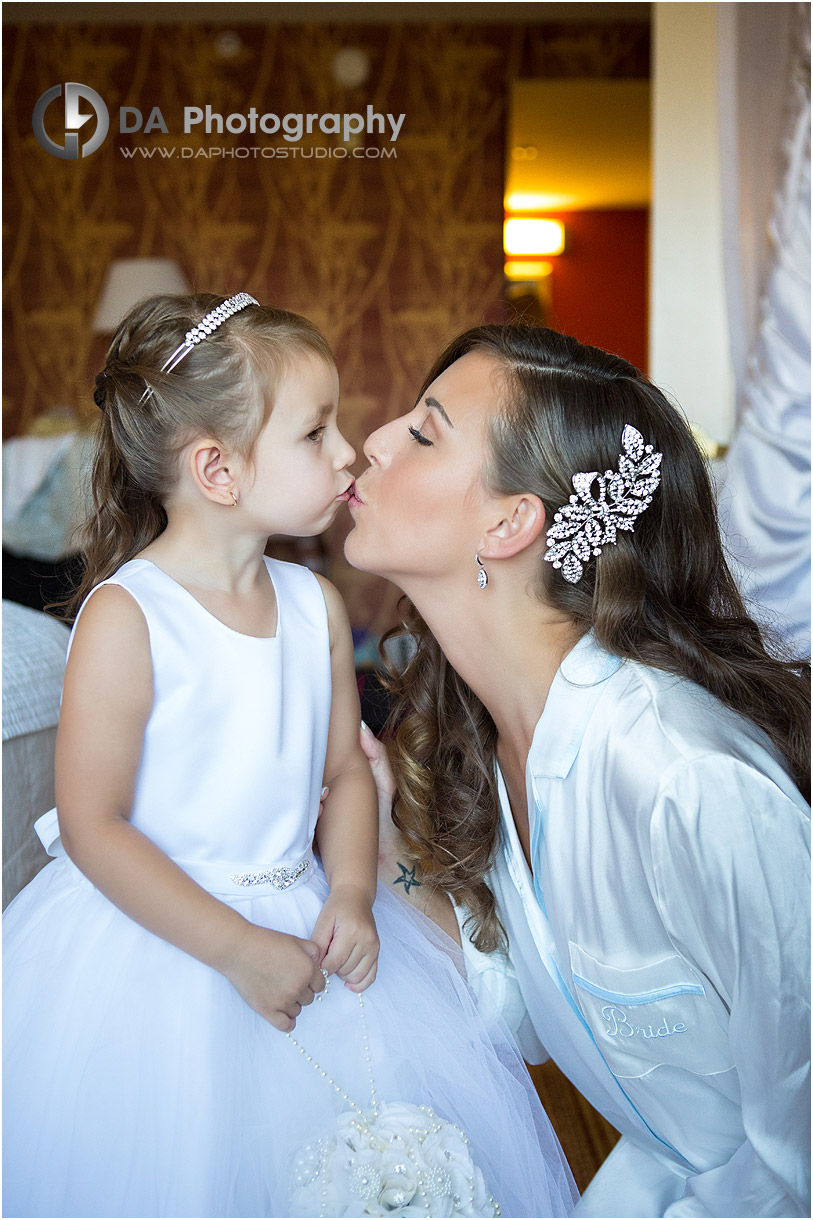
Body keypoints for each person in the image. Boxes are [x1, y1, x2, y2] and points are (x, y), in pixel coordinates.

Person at [2, 297, 577, 1219]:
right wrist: (234, 947)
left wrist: (350, 892)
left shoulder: (309, 603)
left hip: (298, 911)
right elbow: (92, 824)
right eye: (316, 432)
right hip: (154, 938)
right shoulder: (130, 616)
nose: (348, 451)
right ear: (217, 470)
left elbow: (344, 773)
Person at [344, 324, 811, 1218]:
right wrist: (374, 828)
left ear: (510, 522)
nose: (373, 439)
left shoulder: (685, 782)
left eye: (424, 430)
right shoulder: (482, 744)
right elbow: (515, 1014)